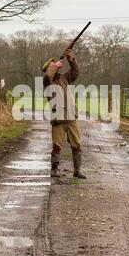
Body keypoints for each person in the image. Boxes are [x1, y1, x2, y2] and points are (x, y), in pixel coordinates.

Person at [43, 49, 86, 179]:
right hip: (58, 117)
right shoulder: (47, 81)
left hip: (71, 115)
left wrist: (70, 59)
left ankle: (77, 171)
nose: (56, 65)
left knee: (76, 144)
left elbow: (75, 72)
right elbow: (48, 75)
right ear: (49, 69)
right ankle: (54, 170)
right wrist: (55, 66)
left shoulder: (63, 78)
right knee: (57, 145)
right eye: (52, 65)